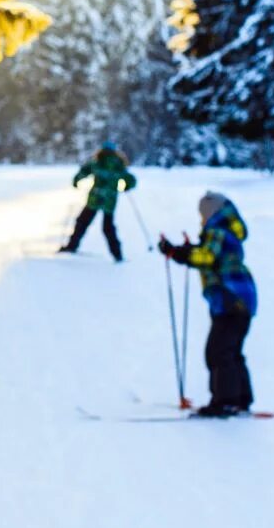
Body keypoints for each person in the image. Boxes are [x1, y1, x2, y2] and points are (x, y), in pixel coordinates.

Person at [160, 191, 259, 415]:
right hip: (239, 299)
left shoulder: (216, 230)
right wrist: (182, 252)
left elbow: (207, 257)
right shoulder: (224, 230)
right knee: (230, 350)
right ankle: (241, 398)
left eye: (202, 214)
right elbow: (207, 254)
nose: (201, 219)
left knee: (218, 351)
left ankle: (226, 401)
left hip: (231, 299)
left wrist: (180, 253)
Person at [62, 141, 136, 260]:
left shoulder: (97, 161)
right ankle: (117, 254)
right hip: (110, 201)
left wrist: (76, 181)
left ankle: (72, 246)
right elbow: (131, 179)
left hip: (95, 199)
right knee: (108, 227)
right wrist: (127, 186)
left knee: (82, 222)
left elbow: (84, 171)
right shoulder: (118, 164)